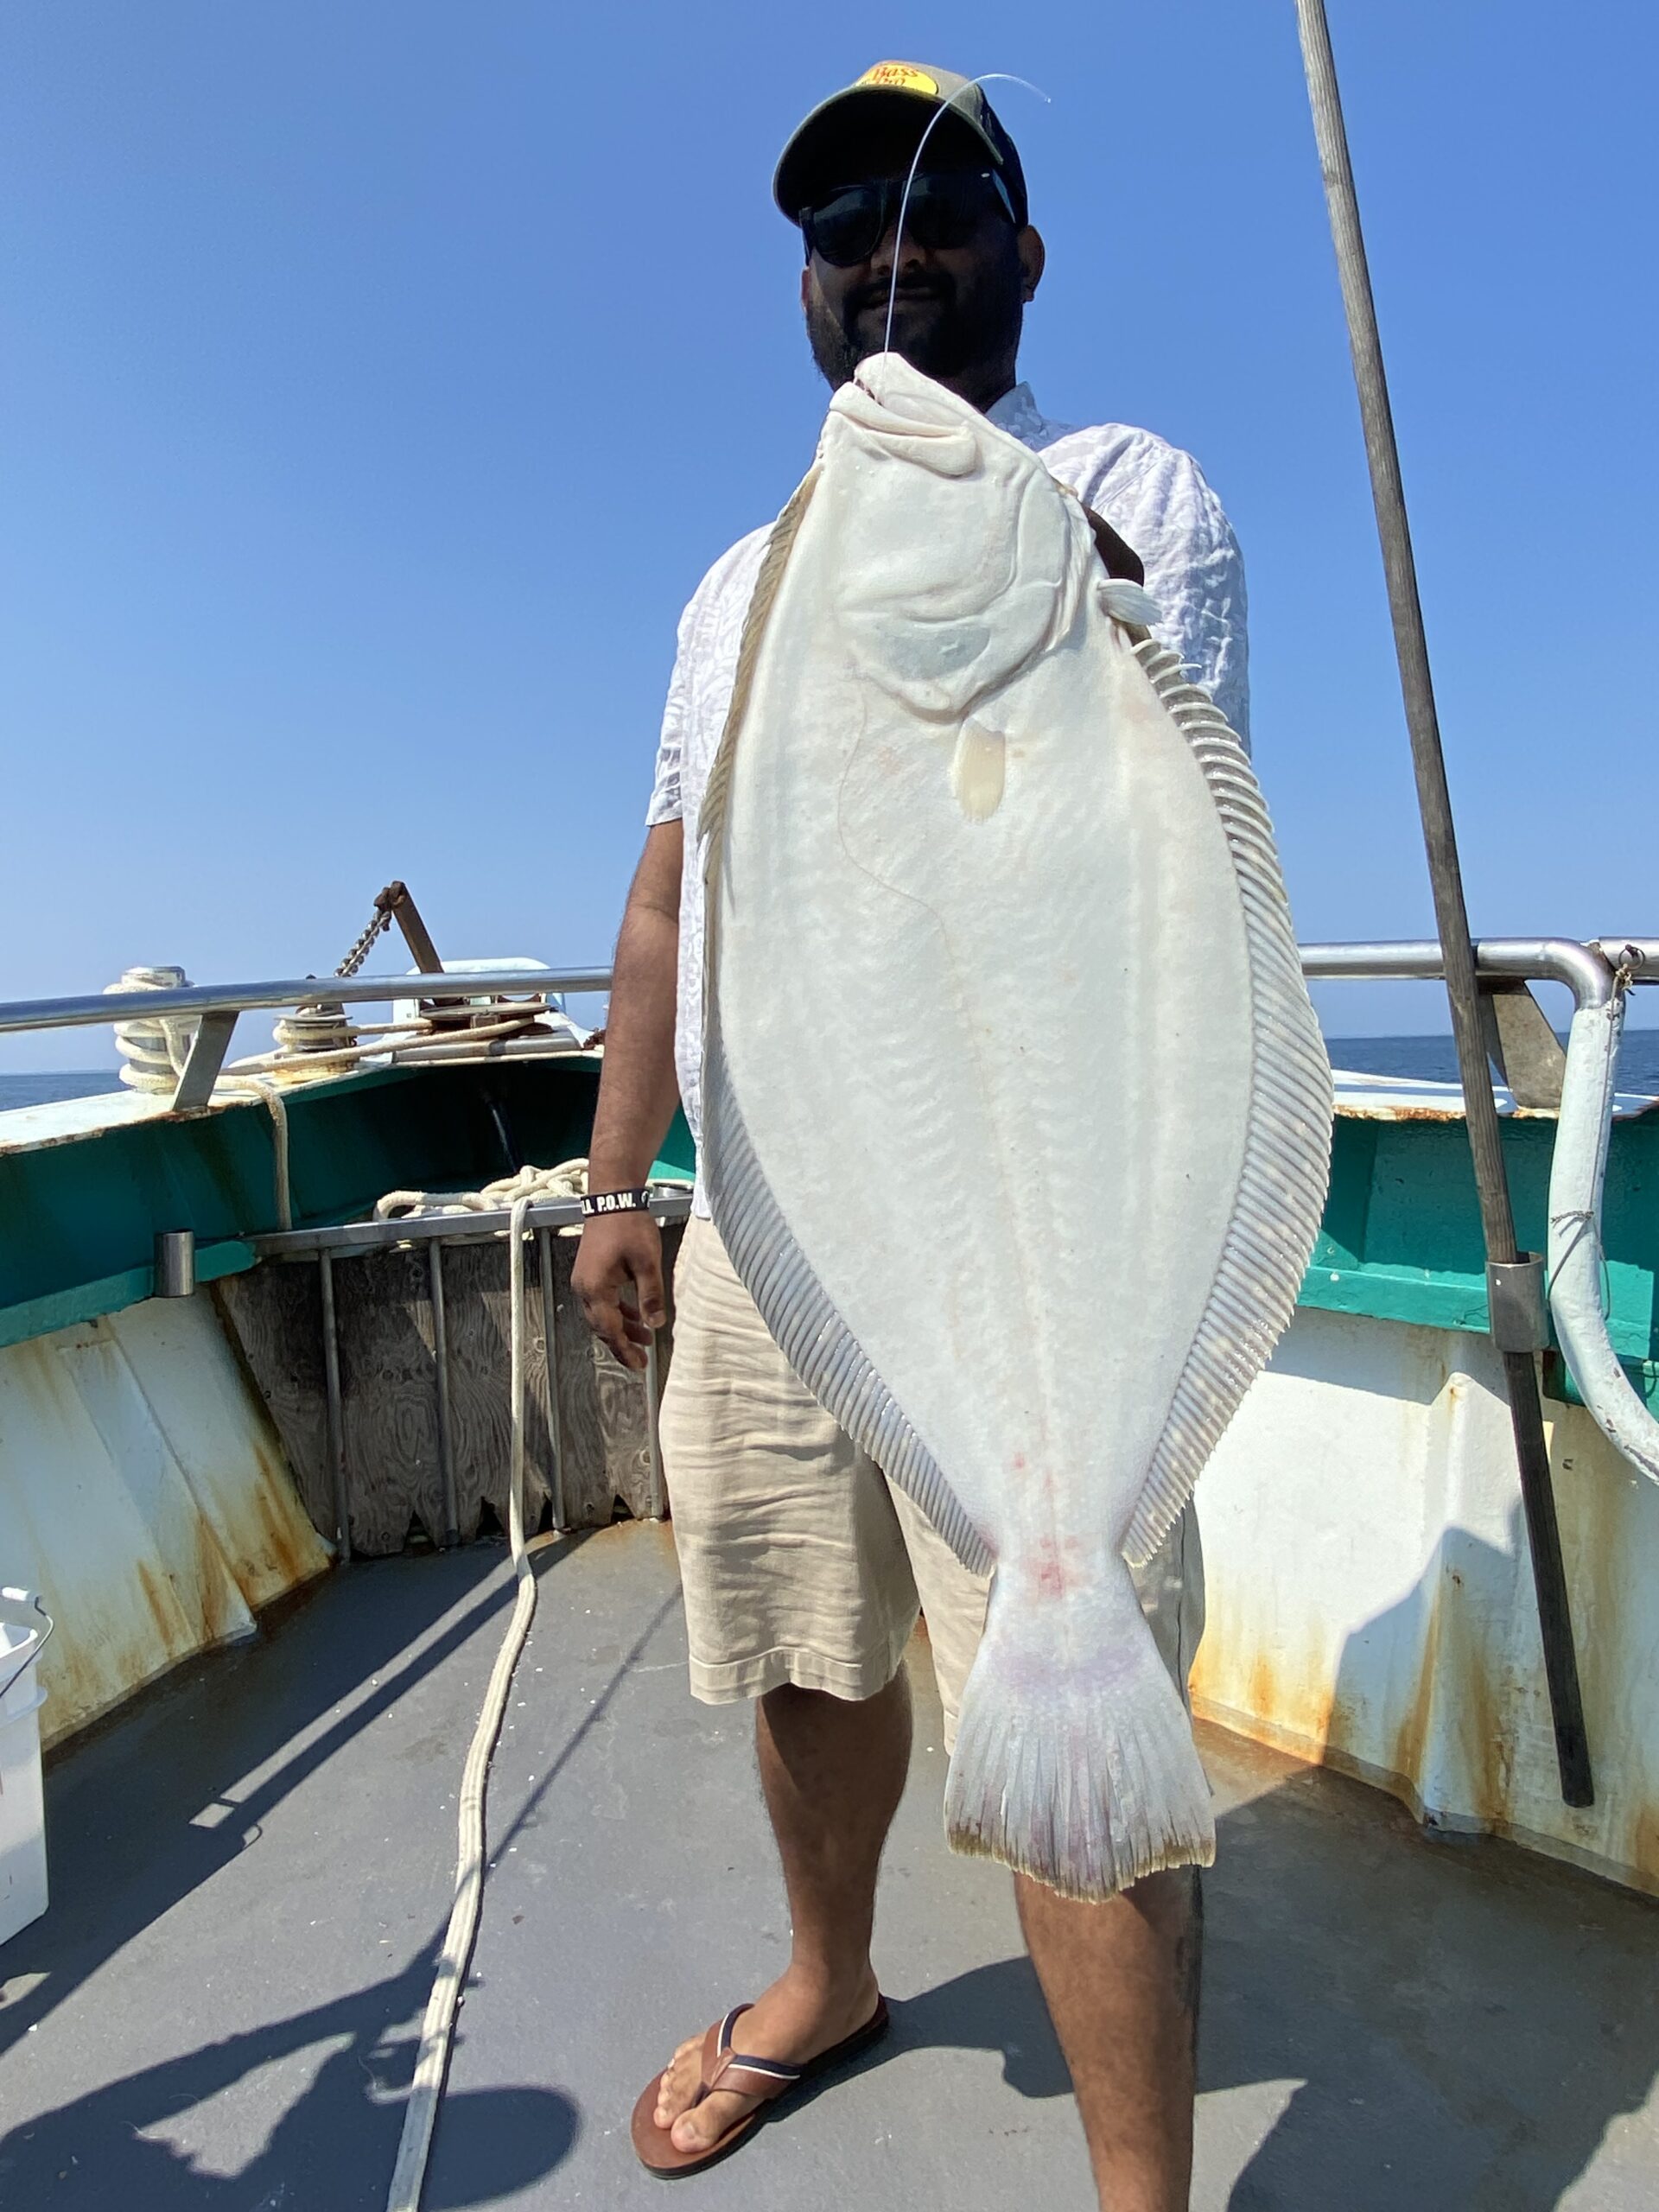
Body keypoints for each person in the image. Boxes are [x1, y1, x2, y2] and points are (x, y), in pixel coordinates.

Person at [572, 60, 1247, 2212]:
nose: (887, 247)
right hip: (783, 1196)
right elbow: (676, 897)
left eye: (939, 209)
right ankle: (831, 1969)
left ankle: (1140, 2190)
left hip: (1035, 1202)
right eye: (843, 219)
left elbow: (1154, 840)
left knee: (1070, 1659)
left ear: (1025, 258)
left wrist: (1012, 524)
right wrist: (616, 1176)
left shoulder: (1122, 489)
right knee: (792, 1616)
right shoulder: (725, 588)